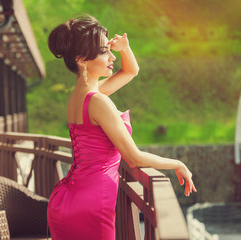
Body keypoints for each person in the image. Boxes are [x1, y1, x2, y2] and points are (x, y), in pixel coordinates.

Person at [46, 14, 196, 240]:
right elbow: (133, 159)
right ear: (81, 59)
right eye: (104, 51)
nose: (112, 56)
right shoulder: (97, 101)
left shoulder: (79, 97)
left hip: (67, 199)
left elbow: (130, 71)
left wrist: (124, 48)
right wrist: (177, 163)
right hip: (92, 204)